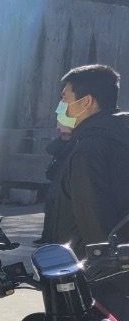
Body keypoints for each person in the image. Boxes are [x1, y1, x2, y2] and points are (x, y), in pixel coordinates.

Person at [48, 64, 129, 256]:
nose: (61, 106)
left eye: (65, 98)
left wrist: (101, 267)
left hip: (98, 268)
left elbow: (94, 218)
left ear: (86, 102)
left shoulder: (89, 149)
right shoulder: (119, 133)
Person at [38, 120, 76, 245]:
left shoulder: (76, 141)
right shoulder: (61, 141)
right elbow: (49, 149)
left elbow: (67, 154)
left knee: (61, 210)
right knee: (50, 209)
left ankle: (57, 238)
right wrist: (62, 138)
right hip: (56, 180)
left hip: (68, 179)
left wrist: (69, 139)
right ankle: (46, 237)